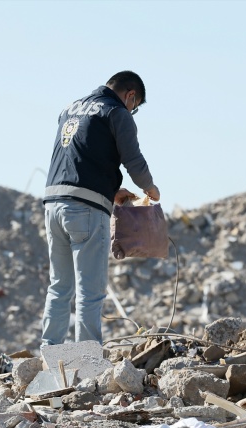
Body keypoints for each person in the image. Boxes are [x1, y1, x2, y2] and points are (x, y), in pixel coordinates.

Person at [41, 70, 160, 346]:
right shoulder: (116, 112)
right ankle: (87, 363)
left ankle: (49, 354)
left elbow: (80, 156)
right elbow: (134, 160)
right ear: (131, 95)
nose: (132, 111)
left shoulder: (70, 108)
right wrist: (150, 188)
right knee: (90, 291)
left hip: (54, 204)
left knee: (59, 287)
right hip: (86, 211)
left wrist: (111, 190)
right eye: (136, 106)